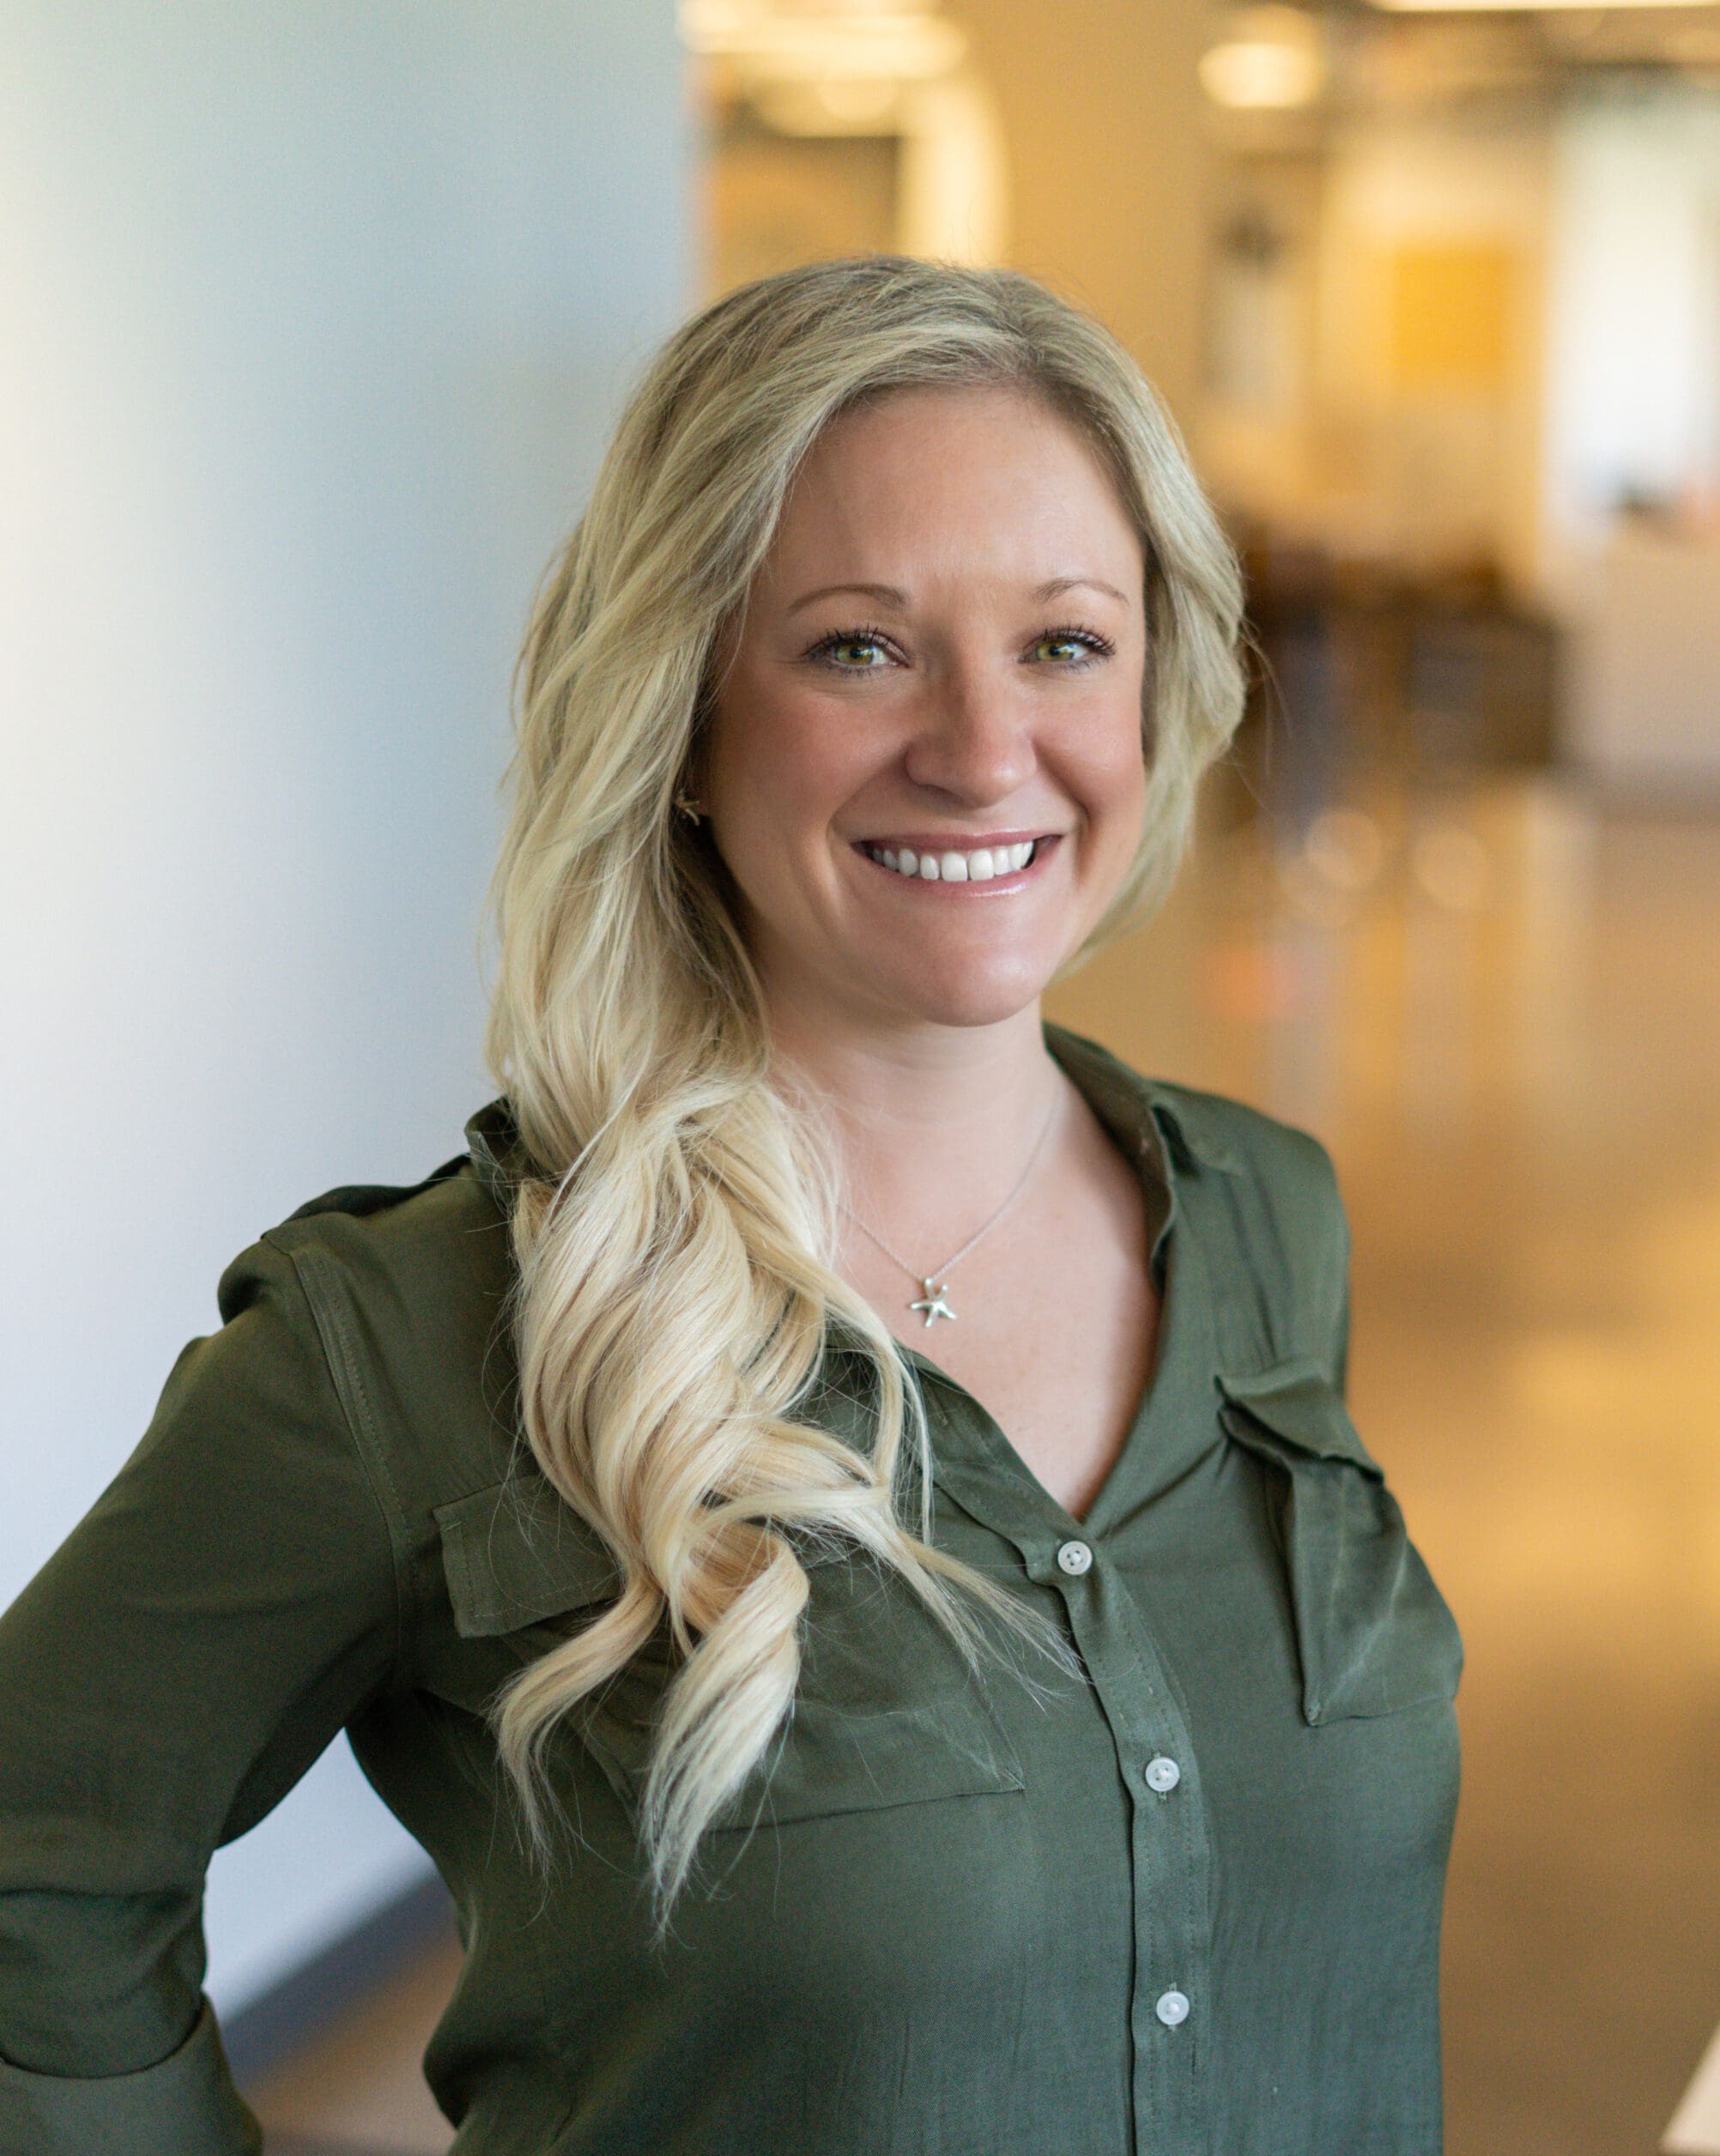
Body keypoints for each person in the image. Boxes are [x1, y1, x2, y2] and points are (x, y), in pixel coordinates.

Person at [0, 256, 1463, 2156]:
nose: (983, 743)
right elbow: (39, 1860)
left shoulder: (1272, 1219)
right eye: (859, 644)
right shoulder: (429, 1333)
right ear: (685, 718)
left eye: (1066, 641)